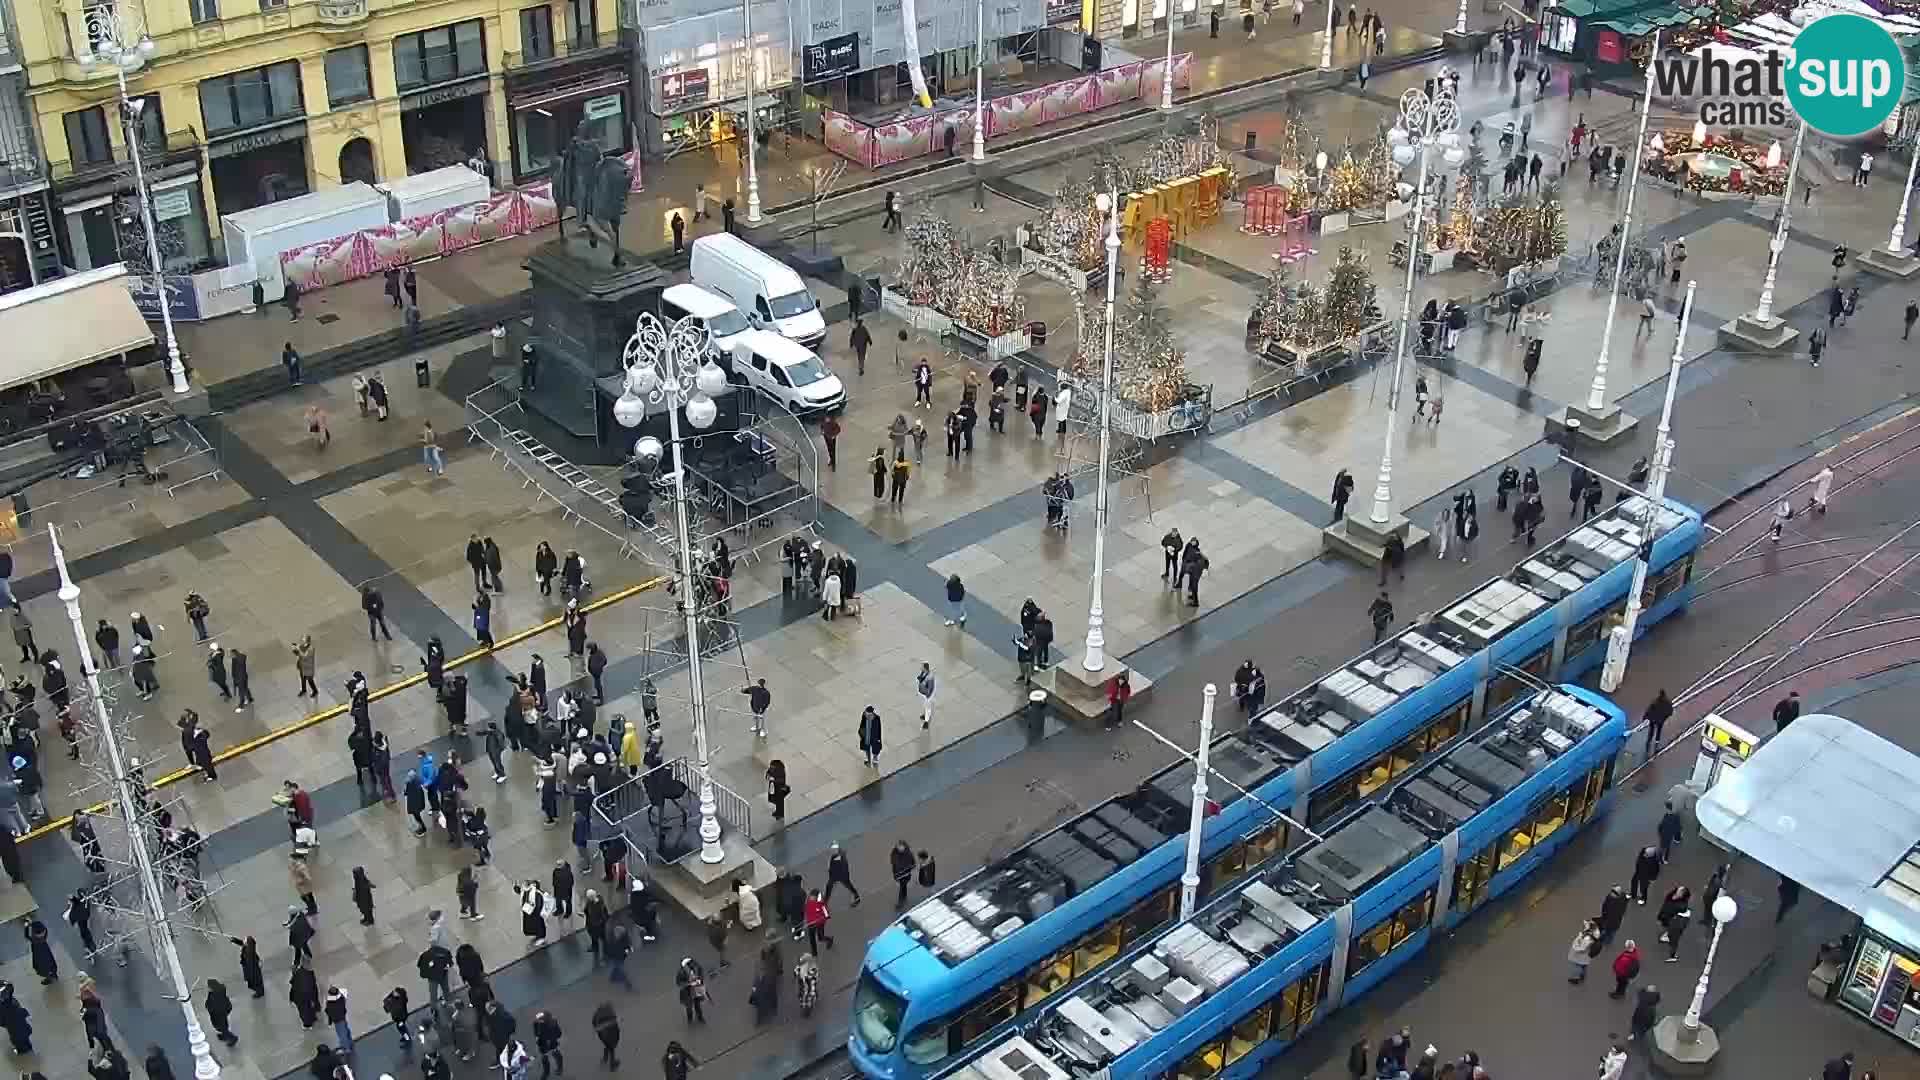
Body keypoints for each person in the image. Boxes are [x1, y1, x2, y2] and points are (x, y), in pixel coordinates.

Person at [675, 958, 708, 1023]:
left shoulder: (697, 968)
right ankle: (690, 1019)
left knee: (697, 1005)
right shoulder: (681, 972)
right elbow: (679, 983)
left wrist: (700, 979)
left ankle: (700, 1017)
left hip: (696, 990)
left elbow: (701, 973)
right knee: (689, 1007)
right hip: (687, 992)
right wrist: (689, 984)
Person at [804, 888, 833, 954]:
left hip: (819, 924)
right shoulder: (808, 903)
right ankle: (814, 952)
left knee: (820, 938)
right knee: (812, 939)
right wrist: (807, 921)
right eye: (811, 897)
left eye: (813, 897)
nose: (811, 898)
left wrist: (821, 918)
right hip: (810, 924)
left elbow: (826, 915)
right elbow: (806, 911)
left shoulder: (821, 904)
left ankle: (829, 939)